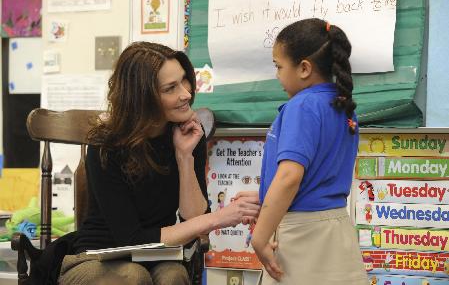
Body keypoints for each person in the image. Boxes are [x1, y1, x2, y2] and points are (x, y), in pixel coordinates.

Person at [58, 42, 260, 285]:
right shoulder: (106, 146)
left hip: (154, 255)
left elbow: (193, 220)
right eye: (170, 88)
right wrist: (218, 218)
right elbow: (131, 239)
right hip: (97, 257)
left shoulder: (186, 136)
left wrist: (184, 157)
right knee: (133, 278)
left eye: (184, 80)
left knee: (173, 276)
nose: (186, 93)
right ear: (142, 97)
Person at [249, 18, 369, 284]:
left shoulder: (301, 106)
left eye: (279, 67)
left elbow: (290, 178)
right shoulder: (343, 107)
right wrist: (264, 195)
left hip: (302, 238)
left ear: (304, 68)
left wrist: (260, 237)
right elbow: (317, 176)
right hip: (337, 232)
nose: (277, 75)